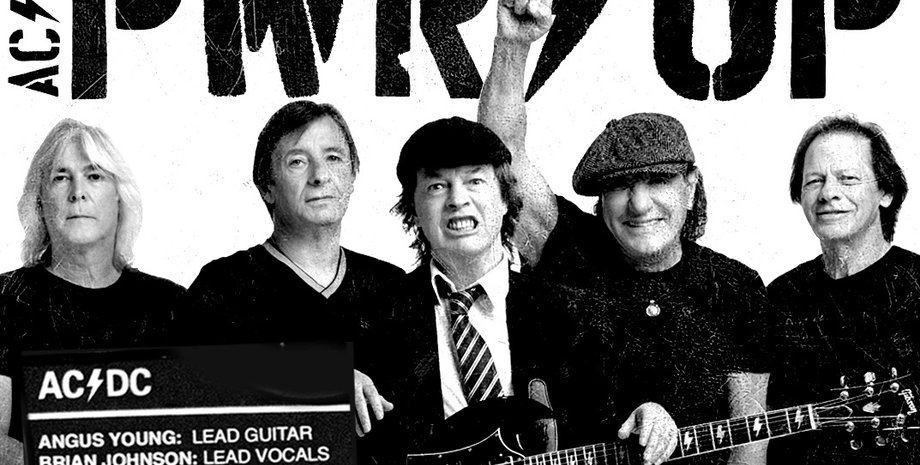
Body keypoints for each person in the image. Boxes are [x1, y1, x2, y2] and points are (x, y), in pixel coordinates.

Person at [478, 2, 771, 464]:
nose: (639, 204)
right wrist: (513, 46)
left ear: (691, 187)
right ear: (600, 199)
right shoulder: (569, 248)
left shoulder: (735, 288)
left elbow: (749, 445)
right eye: (619, 186)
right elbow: (501, 153)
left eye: (658, 181)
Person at [355, 117, 678, 465]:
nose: (457, 200)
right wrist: (327, 386)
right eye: (436, 186)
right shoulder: (372, 313)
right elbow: (316, 432)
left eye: (475, 181)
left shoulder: (574, 313)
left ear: (506, 199)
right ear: (414, 210)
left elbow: (628, 411)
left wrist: (651, 413)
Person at [0, 119, 184, 464]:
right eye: (60, 177)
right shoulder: (7, 298)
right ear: (39, 201)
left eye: (95, 176)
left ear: (120, 198)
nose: (77, 192)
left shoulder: (172, 304)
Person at [182, 100, 403, 344]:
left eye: (333, 158)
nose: (320, 176)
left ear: (352, 175)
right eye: (297, 161)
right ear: (267, 187)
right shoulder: (223, 286)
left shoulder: (391, 284)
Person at [767, 115, 920, 465]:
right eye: (814, 181)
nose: (828, 193)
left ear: (886, 192)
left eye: (848, 178)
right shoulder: (781, 296)